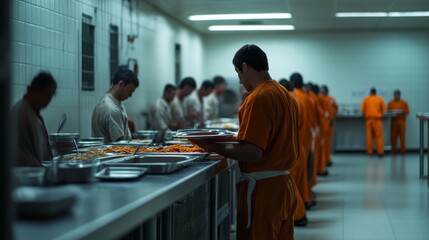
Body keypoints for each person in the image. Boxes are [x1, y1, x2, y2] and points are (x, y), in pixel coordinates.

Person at [191, 44, 299, 239]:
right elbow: (269, 139)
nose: (239, 79)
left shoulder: (258, 98)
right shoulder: (284, 94)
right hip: (283, 187)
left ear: (245, 67)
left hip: (264, 192)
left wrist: (212, 145)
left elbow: (253, 151)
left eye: (237, 72)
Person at [11, 71, 57, 166]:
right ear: (44, 92)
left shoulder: (31, 111)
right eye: (50, 95)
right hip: (26, 173)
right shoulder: (21, 112)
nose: (49, 100)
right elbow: (22, 154)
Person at [92, 68, 139, 143]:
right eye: (129, 91)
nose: (130, 95)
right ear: (121, 84)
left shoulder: (116, 102)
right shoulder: (111, 109)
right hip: (110, 153)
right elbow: (120, 145)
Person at [361, 87, 387, 157]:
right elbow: (384, 111)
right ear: (375, 93)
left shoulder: (366, 99)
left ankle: (369, 152)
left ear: (370, 93)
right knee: (379, 137)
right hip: (378, 120)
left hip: (369, 120)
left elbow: (362, 111)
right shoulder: (380, 99)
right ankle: (380, 152)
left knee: (369, 137)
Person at [320, 85, 337, 166]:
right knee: (322, 144)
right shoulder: (319, 99)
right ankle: (323, 161)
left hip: (329, 123)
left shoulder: (331, 99)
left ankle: (327, 160)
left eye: (323, 91)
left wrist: (333, 118)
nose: (322, 93)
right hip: (321, 125)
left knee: (327, 144)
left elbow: (336, 108)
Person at [387, 89, 409, 154]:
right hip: (394, 121)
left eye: (398, 94)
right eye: (395, 94)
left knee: (402, 137)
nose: (396, 95)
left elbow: (407, 112)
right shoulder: (391, 103)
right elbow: (388, 111)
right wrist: (393, 112)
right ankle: (394, 150)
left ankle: (403, 150)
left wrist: (401, 112)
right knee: (393, 137)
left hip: (401, 121)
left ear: (400, 95)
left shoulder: (404, 102)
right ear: (394, 95)